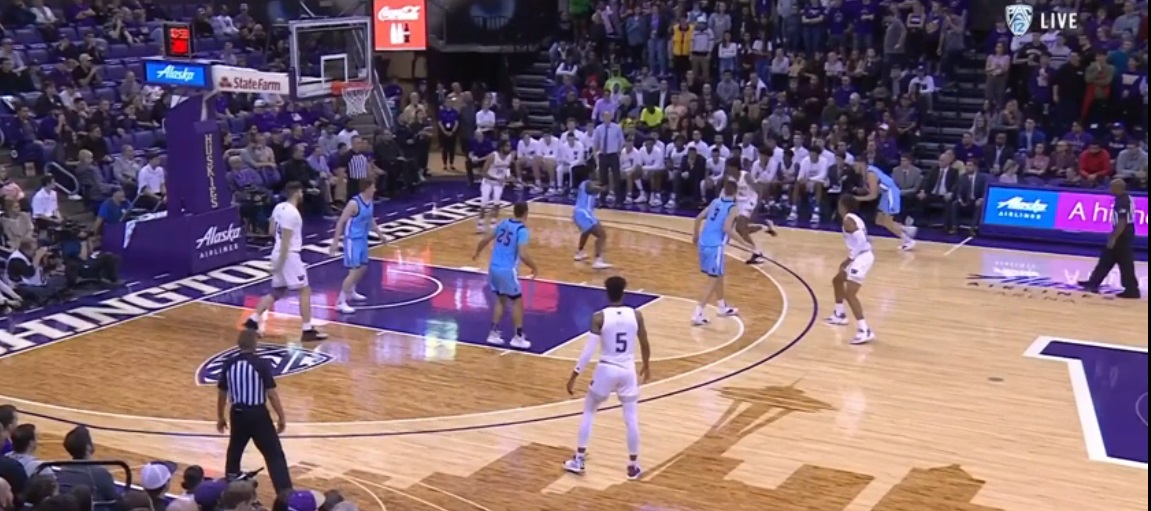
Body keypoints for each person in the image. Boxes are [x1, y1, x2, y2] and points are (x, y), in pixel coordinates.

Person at [562, 275, 651, 479]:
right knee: (631, 418)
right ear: (624, 291)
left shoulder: (599, 317)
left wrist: (575, 374)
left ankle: (579, 459)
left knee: (589, 411)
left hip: (606, 369)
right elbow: (645, 342)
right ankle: (633, 465)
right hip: (628, 370)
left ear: (606, 291)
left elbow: (588, 350)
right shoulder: (636, 315)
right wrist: (646, 364)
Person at [243, 183, 328, 340]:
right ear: (296, 193)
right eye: (301, 192)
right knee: (304, 290)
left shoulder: (278, 207)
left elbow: (270, 231)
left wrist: (277, 260)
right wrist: (279, 265)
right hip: (288, 255)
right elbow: (286, 242)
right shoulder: (292, 213)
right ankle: (307, 329)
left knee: (277, 291)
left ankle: (253, 320)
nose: (302, 194)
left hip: (277, 252)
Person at [216, 329, 292, 493]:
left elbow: (222, 393)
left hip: (236, 414)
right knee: (274, 455)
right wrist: (281, 416)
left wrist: (220, 416)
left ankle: (230, 491)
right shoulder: (261, 364)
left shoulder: (229, 363)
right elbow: (271, 394)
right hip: (258, 415)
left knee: (234, 452)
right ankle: (285, 494)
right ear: (255, 344)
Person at [472, 202, 539, 349]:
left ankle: (493, 333)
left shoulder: (503, 223)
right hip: (507, 270)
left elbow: (485, 239)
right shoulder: (522, 230)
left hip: (493, 267)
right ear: (526, 213)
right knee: (517, 301)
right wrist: (534, 267)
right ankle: (518, 336)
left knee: (501, 300)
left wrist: (477, 252)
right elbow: (522, 254)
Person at [328, 178, 384, 314]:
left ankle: (351, 291)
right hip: (352, 240)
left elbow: (371, 219)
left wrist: (380, 234)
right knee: (354, 271)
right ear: (367, 188)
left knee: (363, 268)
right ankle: (340, 302)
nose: (375, 189)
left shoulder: (370, 201)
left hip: (363, 239)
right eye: (373, 187)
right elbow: (340, 222)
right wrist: (335, 242)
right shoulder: (354, 203)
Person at [1078, 179, 1141, 299]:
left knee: (1124, 262)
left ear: (1118, 188)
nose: (1110, 189)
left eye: (1112, 187)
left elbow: (1122, 222)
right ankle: (1094, 282)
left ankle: (1132, 289)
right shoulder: (1126, 198)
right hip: (1124, 231)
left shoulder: (1123, 201)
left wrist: (1114, 236)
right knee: (1107, 258)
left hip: (1123, 233)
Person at [827, 195, 877, 345]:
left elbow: (861, 239)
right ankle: (839, 313)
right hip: (860, 255)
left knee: (850, 294)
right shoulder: (854, 218)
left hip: (862, 258)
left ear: (843, 206)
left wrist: (849, 258)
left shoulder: (848, 220)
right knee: (837, 280)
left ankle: (864, 329)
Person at [691, 179, 741, 326]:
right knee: (713, 281)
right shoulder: (733, 208)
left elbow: (698, 218)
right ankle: (698, 313)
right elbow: (727, 229)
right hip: (715, 246)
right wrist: (745, 243)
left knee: (718, 275)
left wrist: (695, 235)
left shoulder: (714, 202)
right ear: (736, 192)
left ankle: (722, 306)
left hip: (703, 243)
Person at [854, 162, 918, 251]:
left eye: (856, 164)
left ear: (862, 164)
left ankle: (908, 240)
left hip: (891, 194)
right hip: (886, 194)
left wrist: (856, 199)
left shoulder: (870, 174)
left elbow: (873, 195)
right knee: (879, 220)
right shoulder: (868, 171)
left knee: (887, 222)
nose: (854, 167)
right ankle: (906, 229)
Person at [726, 158, 775, 265]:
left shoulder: (746, 176)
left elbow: (759, 189)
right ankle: (763, 227)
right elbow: (732, 193)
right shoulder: (731, 179)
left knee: (740, 228)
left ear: (734, 167)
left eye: (729, 167)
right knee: (740, 230)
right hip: (739, 203)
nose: (727, 169)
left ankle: (757, 252)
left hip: (750, 202)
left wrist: (758, 205)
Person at [572, 179, 612, 269]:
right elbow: (591, 189)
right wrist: (602, 189)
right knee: (602, 235)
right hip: (584, 214)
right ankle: (598, 260)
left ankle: (579, 253)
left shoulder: (583, 184)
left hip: (579, 213)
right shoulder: (587, 183)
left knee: (586, 232)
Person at [477, 140, 514, 232]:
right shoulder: (493, 156)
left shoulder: (509, 157)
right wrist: (496, 179)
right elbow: (483, 172)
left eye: (509, 146)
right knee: (484, 202)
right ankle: (480, 223)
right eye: (507, 146)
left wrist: (509, 177)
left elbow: (507, 168)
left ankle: (493, 223)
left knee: (497, 202)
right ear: (501, 147)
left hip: (499, 183)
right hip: (488, 182)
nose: (509, 148)